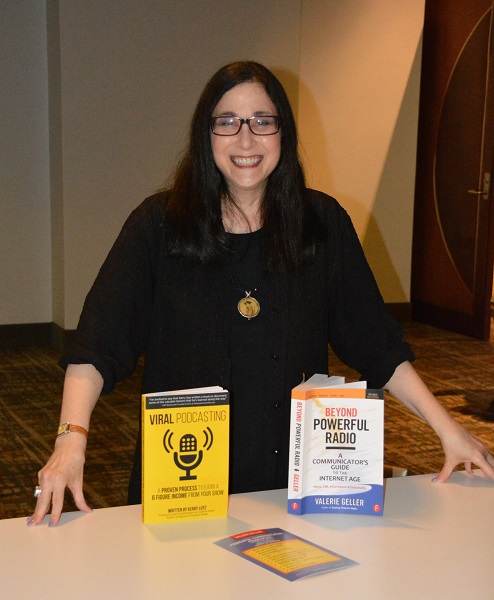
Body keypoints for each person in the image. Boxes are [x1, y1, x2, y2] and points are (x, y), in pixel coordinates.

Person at [28, 61, 494, 527]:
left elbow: (378, 345)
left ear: (282, 134)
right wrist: (70, 441)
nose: (245, 140)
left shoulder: (321, 224)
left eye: (262, 122)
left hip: (292, 482)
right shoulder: (159, 225)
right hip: (184, 482)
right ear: (205, 135)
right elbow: (96, 346)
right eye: (227, 122)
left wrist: (447, 428)